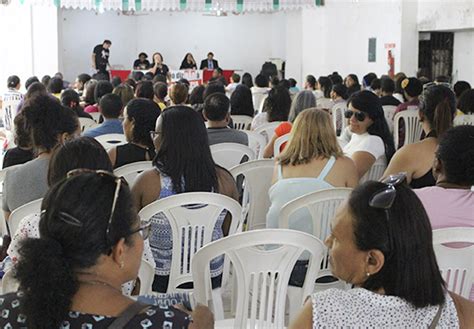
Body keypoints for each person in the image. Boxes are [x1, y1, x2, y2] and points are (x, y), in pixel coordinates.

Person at [0, 169, 213, 328]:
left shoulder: (6, 310)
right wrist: (203, 321)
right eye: (140, 230)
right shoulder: (168, 323)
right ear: (119, 250)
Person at [289, 174, 473, 328]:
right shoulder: (457, 312)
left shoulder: (322, 312)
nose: (327, 241)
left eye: (335, 237)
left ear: (372, 261)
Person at [132, 106, 239, 293]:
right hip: (211, 276)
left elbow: (130, 232)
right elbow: (228, 232)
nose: (153, 138)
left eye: (155, 133)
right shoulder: (225, 181)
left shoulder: (148, 182)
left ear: (167, 139)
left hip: (159, 280)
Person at [266, 108, 358, 240]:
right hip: (324, 252)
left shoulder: (280, 165)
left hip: (279, 251)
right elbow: (353, 211)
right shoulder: (345, 165)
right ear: (329, 132)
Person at [2, 95, 79, 219]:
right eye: (77, 137)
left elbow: (9, 227)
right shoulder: (78, 174)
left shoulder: (11, 178)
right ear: (64, 138)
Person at [383, 85, 456, 188]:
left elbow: (381, 193)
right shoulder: (466, 151)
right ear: (454, 115)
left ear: (420, 114)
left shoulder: (410, 154)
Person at [342, 91, 395, 179]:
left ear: (373, 118)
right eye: (349, 113)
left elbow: (348, 177)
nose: (352, 119)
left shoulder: (372, 141)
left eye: (359, 116)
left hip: (355, 191)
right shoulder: (357, 136)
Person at [108, 98, 161, 168]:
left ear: (133, 122)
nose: (122, 123)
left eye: (124, 118)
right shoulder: (165, 154)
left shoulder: (114, 154)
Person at [263, 90, 316, 158]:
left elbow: (266, 154)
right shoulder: (318, 130)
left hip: (285, 167)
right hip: (311, 167)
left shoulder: (284, 128)